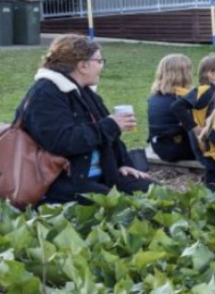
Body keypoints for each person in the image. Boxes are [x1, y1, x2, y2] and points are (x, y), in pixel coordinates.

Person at [14, 34, 154, 204]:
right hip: (60, 182)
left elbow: (111, 137)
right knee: (120, 206)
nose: (102, 66)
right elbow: (61, 141)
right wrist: (110, 125)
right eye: (99, 61)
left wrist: (123, 164)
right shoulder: (45, 94)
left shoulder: (84, 92)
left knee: (154, 191)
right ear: (82, 66)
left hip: (101, 173)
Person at [172, 53, 215, 163]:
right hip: (205, 148)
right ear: (211, 74)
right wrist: (194, 127)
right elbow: (177, 106)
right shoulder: (204, 90)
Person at [147, 54, 196, 162]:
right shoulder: (182, 100)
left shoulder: (153, 98)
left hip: (160, 147)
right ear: (184, 74)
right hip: (180, 149)